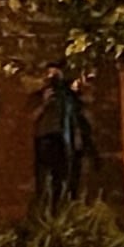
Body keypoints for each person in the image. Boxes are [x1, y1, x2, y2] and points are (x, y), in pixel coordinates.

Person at [31, 64, 94, 215]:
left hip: (64, 140)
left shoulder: (67, 96)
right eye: (50, 75)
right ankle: (43, 214)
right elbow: (31, 117)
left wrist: (78, 138)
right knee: (45, 180)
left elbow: (75, 115)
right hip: (45, 140)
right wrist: (44, 104)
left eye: (56, 74)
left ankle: (60, 212)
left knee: (63, 179)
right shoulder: (40, 95)